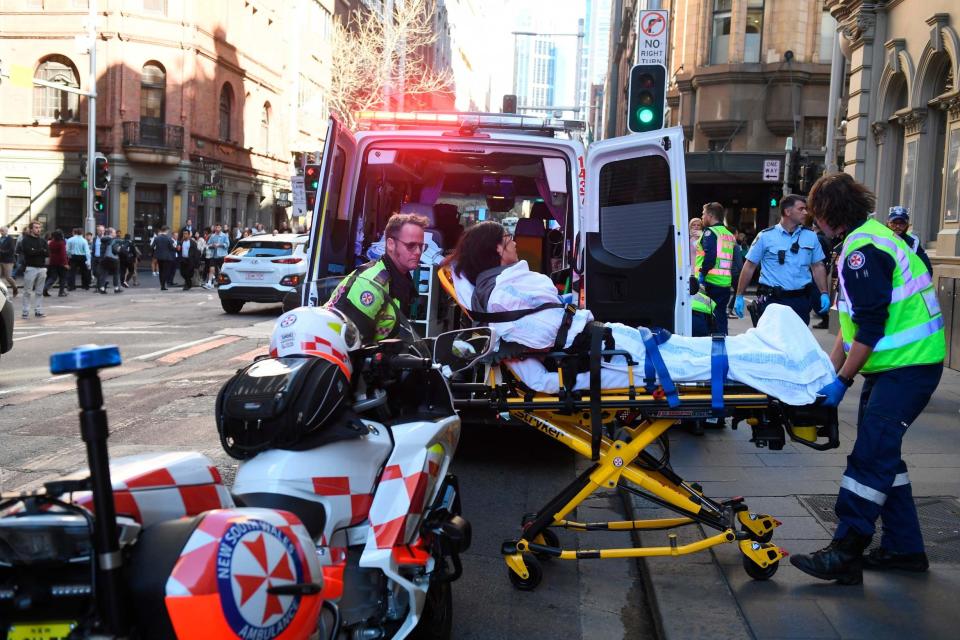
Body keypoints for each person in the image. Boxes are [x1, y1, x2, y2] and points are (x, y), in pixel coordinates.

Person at [446, 221, 836, 403]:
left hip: (600, 346)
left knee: (692, 352)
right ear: (497, 250)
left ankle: (784, 357)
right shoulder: (504, 291)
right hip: (600, 354)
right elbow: (547, 333)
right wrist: (560, 309)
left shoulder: (496, 292)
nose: (515, 245)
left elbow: (543, 329)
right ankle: (794, 369)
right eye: (510, 240)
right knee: (696, 360)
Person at [788, 173, 945, 585]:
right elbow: (852, 323)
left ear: (827, 214)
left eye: (815, 213)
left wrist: (842, 379)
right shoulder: (865, 239)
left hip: (907, 368)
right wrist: (830, 365)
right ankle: (904, 548)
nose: (813, 222)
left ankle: (845, 550)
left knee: (870, 458)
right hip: (898, 366)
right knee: (884, 456)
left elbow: (872, 326)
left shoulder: (862, 250)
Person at [326, 213, 427, 344]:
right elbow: (351, 341)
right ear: (391, 244)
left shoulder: (400, 279)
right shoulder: (372, 284)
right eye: (411, 245)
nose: (418, 252)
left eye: (421, 246)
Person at [733, 195, 829, 325]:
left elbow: (818, 266)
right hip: (772, 300)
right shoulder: (765, 236)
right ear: (787, 211)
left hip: (800, 300)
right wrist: (739, 295)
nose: (806, 212)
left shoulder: (811, 237)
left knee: (797, 342)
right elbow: (749, 266)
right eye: (801, 209)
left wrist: (824, 292)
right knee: (771, 342)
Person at [695, 203, 736, 335]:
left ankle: (714, 345)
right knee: (721, 316)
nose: (702, 217)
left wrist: (702, 274)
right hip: (724, 283)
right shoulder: (729, 234)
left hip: (710, 282)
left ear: (710, 215)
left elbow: (710, 256)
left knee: (708, 317)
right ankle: (724, 342)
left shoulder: (710, 232)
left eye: (703, 214)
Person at [885, 206, 933, 274]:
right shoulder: (879, 238)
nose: (898, 226)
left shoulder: (913, 242)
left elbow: (926, 267)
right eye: (894, 223)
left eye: (902, 224)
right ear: (888, 223)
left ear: (907, 225)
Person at [17, 220, 48, 318]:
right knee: (27, 291)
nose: (38, 229)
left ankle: (38, 310)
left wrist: (36, 251)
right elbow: (28, 252)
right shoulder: (25, 240)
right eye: (36, 227)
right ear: (31, 229)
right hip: (30, 268)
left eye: (39, 228)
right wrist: (41, 251)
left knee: (39, 291)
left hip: (42, 268)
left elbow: (48, 253)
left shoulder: (43, 240)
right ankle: (25, 311)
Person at [43, 230, 69, 297]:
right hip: (61, 263)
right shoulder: (61, 243)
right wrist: (65, 263)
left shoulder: (51, 243)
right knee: (63, 278)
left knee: (53, 277)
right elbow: (63, 254)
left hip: (53, 262)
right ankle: (61, 292)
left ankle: (45, 288)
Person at [204, 223, 230, 289]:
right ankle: (209, 283)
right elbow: (208, 244)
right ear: (215, 228)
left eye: (219, 227)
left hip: (222, 255)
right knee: (211, 269)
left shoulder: (224, 236)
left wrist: (219, 245)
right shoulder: (212, 236)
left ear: (220, 228)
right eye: (216, 227)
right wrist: (212, 245)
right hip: (214, 255)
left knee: (223, 270)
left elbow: (227, 244)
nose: (217, 229)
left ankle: (225, 282)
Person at [97, 228, 121, 294]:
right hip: (114, 259)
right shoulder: (113, 240)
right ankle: (116, 288)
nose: (115, 234)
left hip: (104, 259)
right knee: (116, 273)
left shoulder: (103, 239)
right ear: (110, 233)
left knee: (104, 273)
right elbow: (116, 250)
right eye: (114, 232)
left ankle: (102, 288)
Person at [153, 226, 178, 291]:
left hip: (159, 257)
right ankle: (163, 285)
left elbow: (152, 246)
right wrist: (176, 249)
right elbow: (172, 248)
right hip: (167, 257)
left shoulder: (157, 238)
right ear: (166, 230)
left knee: (161, 271)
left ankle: (162, 284)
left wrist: (156, 253)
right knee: (165, 271)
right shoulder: (168, 238)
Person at [0, 226, 19, 297]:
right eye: (0, 231)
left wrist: (2, 251)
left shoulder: (10, 239)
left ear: (6, 231)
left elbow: (12, 250)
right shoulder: (0, 238)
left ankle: (15, 288)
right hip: (0, 260)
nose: (1, 232)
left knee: (8, 277)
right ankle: (2, 292)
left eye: (2, 231)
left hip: (8, 261)